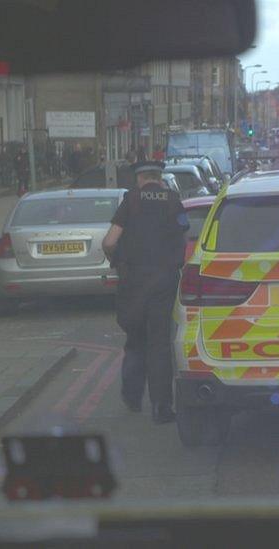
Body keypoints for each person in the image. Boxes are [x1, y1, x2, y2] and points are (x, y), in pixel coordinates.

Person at [102, 160, 189, 424]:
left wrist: (116, 260)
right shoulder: (173, 201)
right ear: (159, 179)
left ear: (139, 179)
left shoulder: (131, 201)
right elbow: (184, 234)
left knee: (136, 337)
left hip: (134, 281)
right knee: (159, 343)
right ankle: (162, 407)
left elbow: (109, 241)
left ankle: (131, 395)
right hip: (164, 281)